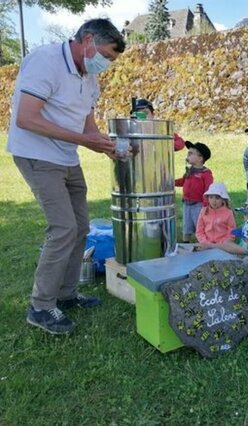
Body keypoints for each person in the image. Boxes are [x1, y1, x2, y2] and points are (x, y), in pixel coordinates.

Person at [6, 19, 125, 334]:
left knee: (81, 226)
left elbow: (88, 126)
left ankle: (67, 294)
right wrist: (84, 141)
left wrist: (106, 147)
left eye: (112, 61)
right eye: (107, 56)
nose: (107, 64)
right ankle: (41, 306)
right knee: (63, 228)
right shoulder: (45, 61)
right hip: (36, 154)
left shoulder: (89, 77)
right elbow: (26, 118)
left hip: (66, 155)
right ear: (87, 40)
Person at [175, 141, 213, 242]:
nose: (188, 155)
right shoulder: (190, 170)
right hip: (186, 204)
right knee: (186, 226)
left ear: (200, 158)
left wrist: (206, 205)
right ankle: (186, 244)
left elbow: (208, 190)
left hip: (199, 205)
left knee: (199, 226)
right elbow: (183, 181)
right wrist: (172, 182)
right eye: (188, 153)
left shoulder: (206, 174)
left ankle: (202, 245)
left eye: (191, 153)